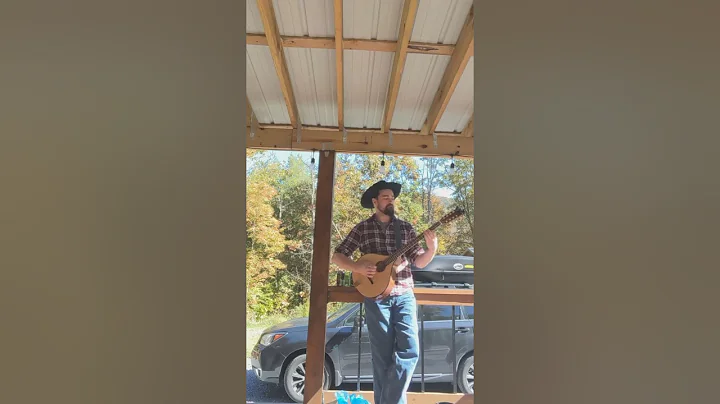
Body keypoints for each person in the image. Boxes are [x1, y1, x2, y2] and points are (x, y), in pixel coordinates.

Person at [331, 180, 438, 404]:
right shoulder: (362, 228)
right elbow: (338, 256)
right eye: (386, 197)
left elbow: (419, 262)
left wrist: (433, 249)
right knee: (381, 359)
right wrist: (357, 267)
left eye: (392, 197)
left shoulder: (406, 228)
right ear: (375, 201)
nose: (391, 200)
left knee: (410, 351)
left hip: (404, 294)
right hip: (376, 299)